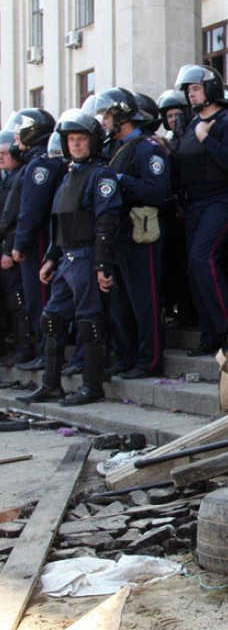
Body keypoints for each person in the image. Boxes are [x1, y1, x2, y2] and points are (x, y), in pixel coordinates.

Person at [16, 108, 120, 406]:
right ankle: (51, 384)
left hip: (87, 256)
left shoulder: (101, 175)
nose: (75, 144)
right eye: (71, 139)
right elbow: (57, 221)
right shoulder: (68, 175)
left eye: (81, 139)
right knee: (51, 318)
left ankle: (92, 385)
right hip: (66, 258)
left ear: (92, 141)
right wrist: (51, 257)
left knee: (89, 320)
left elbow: (106, 222)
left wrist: (102, 264)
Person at [93, 88, 171, 378]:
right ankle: (127, 357)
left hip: (142, 234)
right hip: (120, 233)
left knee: (144, 300)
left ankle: (149, 361)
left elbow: (156, 192)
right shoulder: (114, 149)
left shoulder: (147, 148)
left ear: (123, 116)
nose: (104, 122)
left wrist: (121, 179)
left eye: (108, 116)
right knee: (120, 301)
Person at [174, 64, 228, 355]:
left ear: (210, 89)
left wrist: (207, 138)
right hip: (195, 203)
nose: (191, 95)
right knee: (195, 268)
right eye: (189, 90)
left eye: (195, 88)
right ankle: (212, 332)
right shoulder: (191, 125)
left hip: (223, 199)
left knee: (202, 258)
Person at [7, 108, 65, 370]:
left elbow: (30, 209)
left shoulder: (39, 163)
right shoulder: (37, 160)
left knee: (39, 299)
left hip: (39, 240)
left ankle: (47, 352)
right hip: (41, 238)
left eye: (21, 129)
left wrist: (19, 244)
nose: (17, 135)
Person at [0, 131, 35, 365]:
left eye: (4, 153)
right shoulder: (7, 176)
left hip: (11, 248)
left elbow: (18, 216)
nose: (1, 158)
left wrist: (8, 248)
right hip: (5, 245)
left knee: (18, 301)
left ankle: (26, 348)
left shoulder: (21, 174)